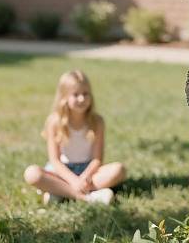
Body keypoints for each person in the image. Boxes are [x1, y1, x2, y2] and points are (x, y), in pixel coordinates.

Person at [24, 70, 126, 205]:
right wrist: (74, 181)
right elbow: (54, 160)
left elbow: (97, 159)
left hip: (88, 171)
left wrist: (85, 177)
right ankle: (88, 198)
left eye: (86, 94)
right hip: (61, 171)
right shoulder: (54, 122)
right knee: (32, 174)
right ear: (64, 97)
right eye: (76, 94)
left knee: (119, 170)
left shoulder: (97, 121)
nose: (82, 99)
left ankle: (59, 192)